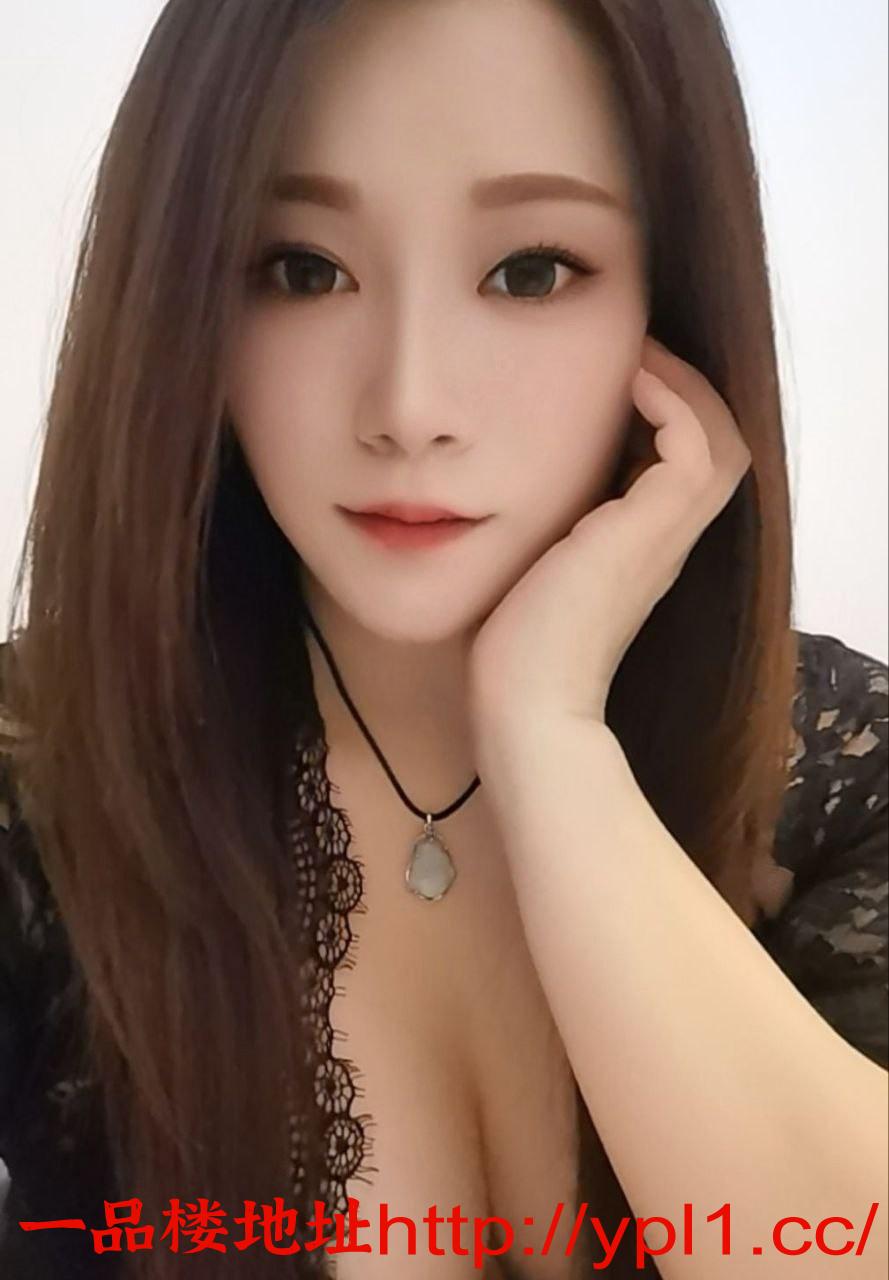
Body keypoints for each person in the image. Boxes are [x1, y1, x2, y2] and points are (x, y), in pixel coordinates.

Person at [0, 0, 886, 1276]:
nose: (410, 405)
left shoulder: (847, 768)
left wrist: (549, 737)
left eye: (528, 270)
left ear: (670, 300)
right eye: (302, 268)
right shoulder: (42, 779)